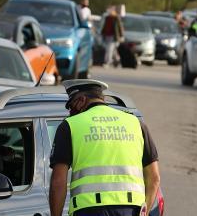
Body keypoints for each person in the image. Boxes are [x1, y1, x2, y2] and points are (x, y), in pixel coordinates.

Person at [49, 79, 160, 216]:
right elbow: (154, 178)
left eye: (71, 106)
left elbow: (58, 182)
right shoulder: (135, 124)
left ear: (82, 100)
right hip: (131, 211)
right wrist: (145, 211)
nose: (70, 112)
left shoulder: (70, 126)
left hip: (88, 211)